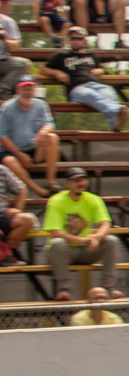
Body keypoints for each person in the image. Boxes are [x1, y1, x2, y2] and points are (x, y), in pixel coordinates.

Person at [43, 167, 120, 303]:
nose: (81, 184)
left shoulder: (93, 199)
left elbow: (106, 224)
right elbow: (56, 233)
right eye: (76, 181)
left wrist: (97, 238)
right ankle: (63, 288)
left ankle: (109, 287)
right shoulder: (56, 200)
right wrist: (85, 240)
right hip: (65, 251)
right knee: (57, 243)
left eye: (83, 180)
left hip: (86, 251)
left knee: (111, 240)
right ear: (68, 184)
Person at [41, 29, 129, 131]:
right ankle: (117, 110)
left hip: (94, 84)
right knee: (91, 95)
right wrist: (57, 73)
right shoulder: (61, 55)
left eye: (79, 38)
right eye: (73, 38)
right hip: (76, 89)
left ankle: (115, 124)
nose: (76, 41)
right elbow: (43, 69)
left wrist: (100, 70)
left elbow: (101, 68)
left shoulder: (91, 55)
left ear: (84, 40)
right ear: (69, 40)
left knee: (109, 92)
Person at [0, 76, 59, 195]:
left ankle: (50, 182)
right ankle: (39, 191)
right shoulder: (7, 108)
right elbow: (3, 136)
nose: (28, 92)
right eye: (24, 89)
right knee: (9, 161)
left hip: (34, 147)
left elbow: (50, 124)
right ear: (18, 90)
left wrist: (44, 131)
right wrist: (19, 154)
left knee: (52, 137)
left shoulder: (41, 105)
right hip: (12, 151)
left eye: (30, 89)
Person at [0, 161, 35, 264]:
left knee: (27, 220)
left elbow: (22, 189)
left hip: (3, 216)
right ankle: (6, 256)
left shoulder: (2, 170)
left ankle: (5, 254)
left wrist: (17, 209)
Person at [0, 1, 27, 101]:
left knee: (22, 64)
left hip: (2, 60)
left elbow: (16, 47)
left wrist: (5, 40)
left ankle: (3, 90)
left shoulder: (7, 22)